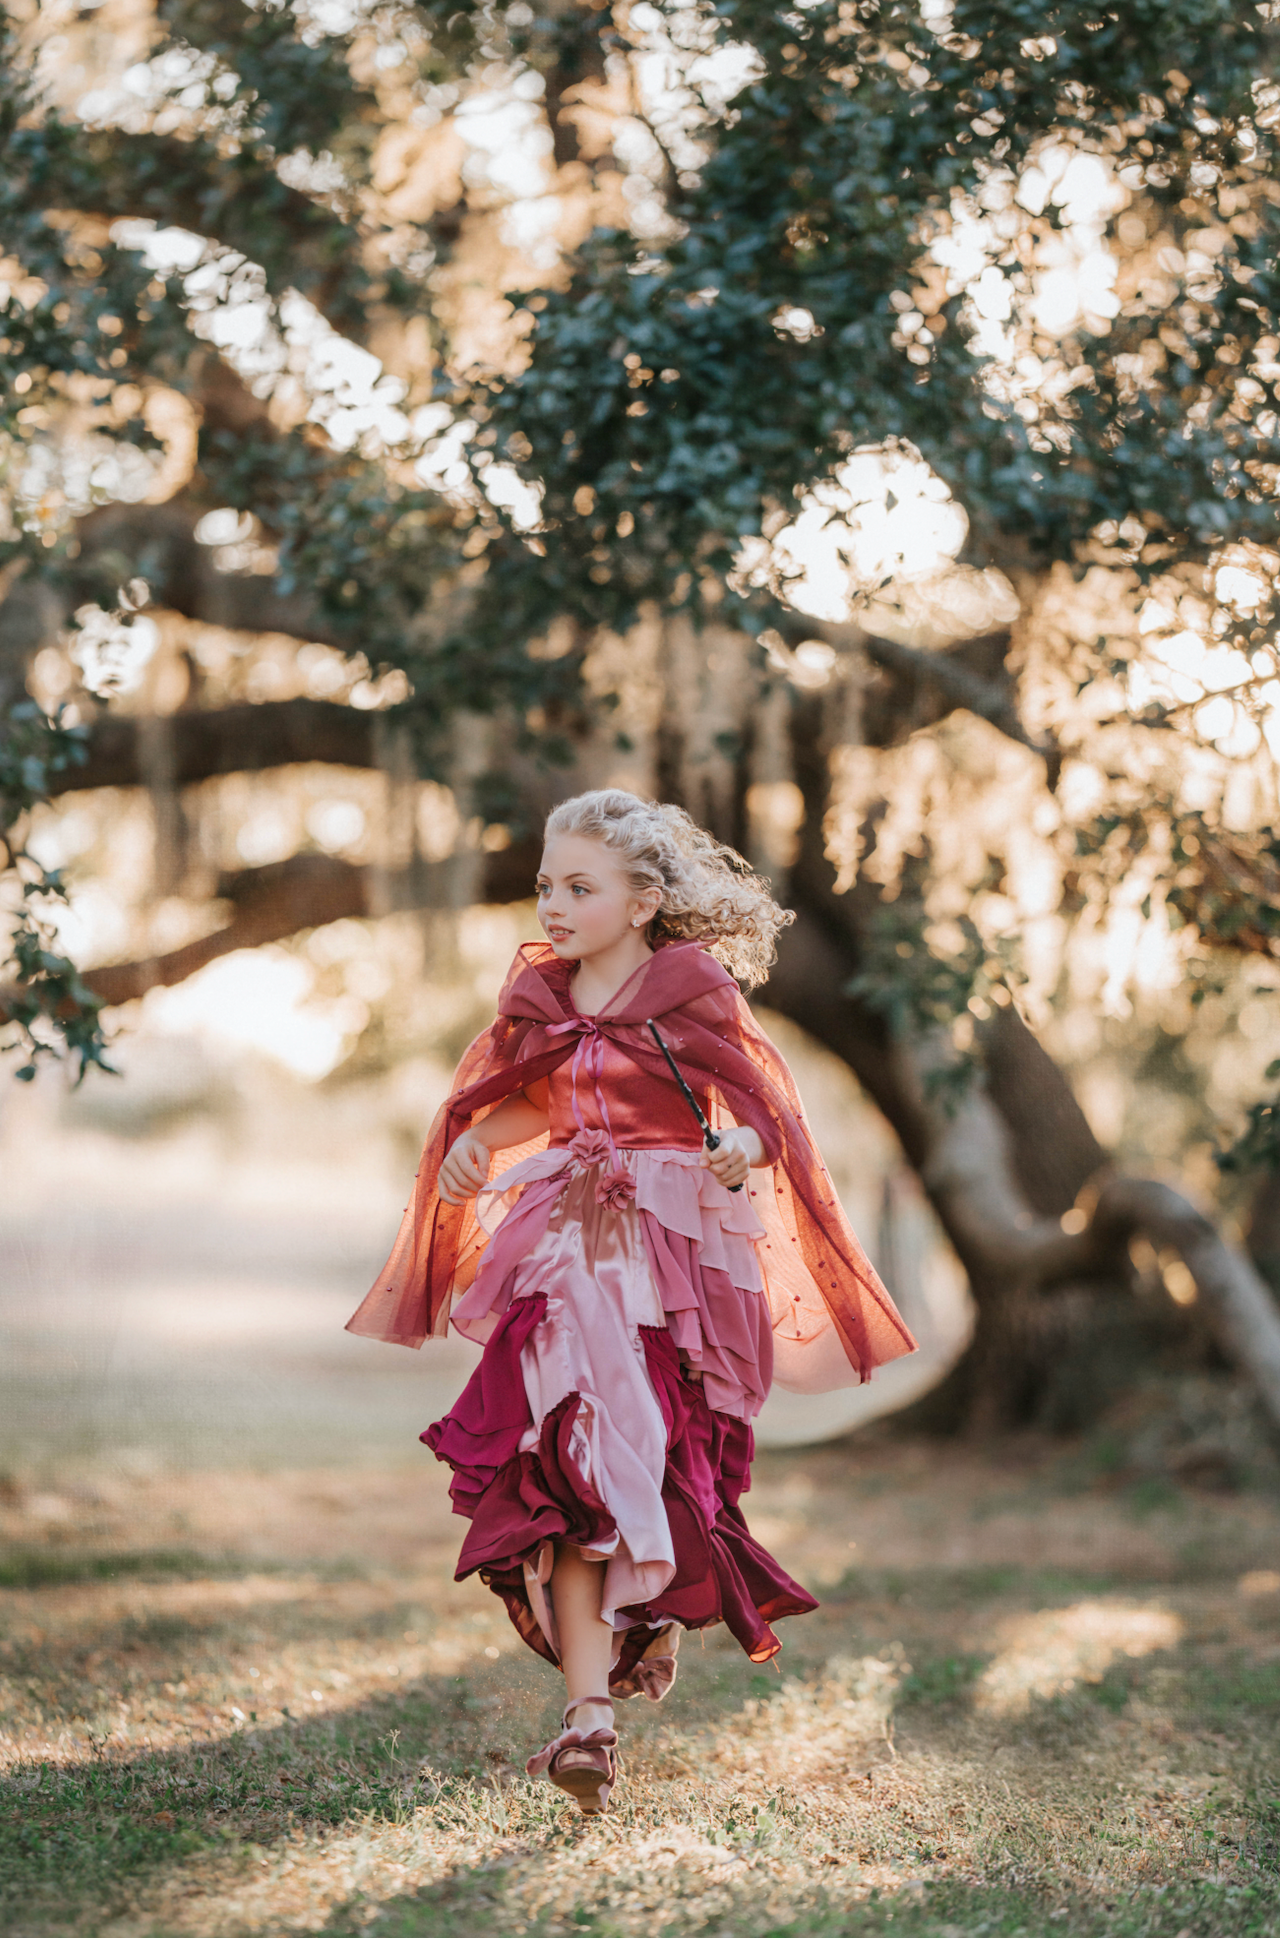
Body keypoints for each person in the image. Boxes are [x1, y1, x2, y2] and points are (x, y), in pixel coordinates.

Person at [346, 789, 915, 1814]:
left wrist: (738, 1149)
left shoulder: (693, 990)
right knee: (563, 1462)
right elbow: (533, 1098)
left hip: (668, 1258)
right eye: (545, 886)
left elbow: (760, 1115)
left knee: (654, 1461)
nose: (553, 906)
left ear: (643, 902)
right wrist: (478, 1140)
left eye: (580, 888)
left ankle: (645, 1619)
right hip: (564, 1245)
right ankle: (587, 1721)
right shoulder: (541, 997)